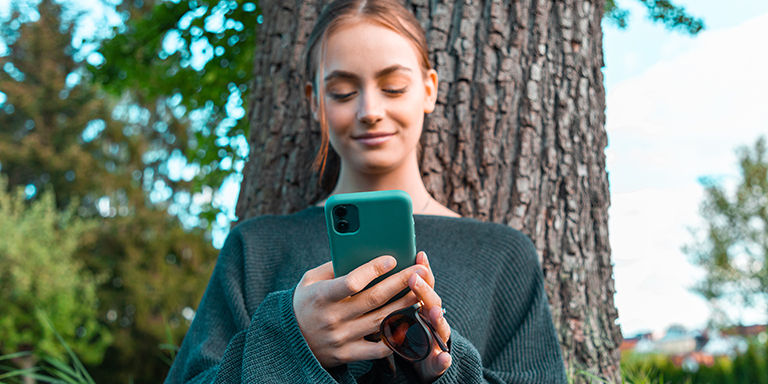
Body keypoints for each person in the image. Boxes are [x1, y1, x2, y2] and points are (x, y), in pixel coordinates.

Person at [164, 0, 567, 382]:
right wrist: (292, 343)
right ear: (315, 101)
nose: (370, 110)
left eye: (393, 87)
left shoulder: (502, 256)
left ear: (428, 90)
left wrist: (446, 371)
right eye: (341, 92)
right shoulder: (255, 248)